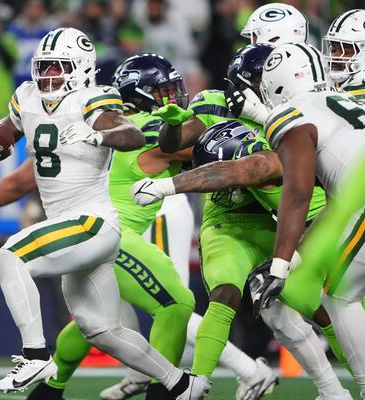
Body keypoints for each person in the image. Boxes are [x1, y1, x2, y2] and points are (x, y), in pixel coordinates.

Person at [0, 53, 276, 400]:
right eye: (163, 91)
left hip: (97, 226)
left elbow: (22, 177)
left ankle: (53, 388)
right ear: (141, 94)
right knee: (175, 304)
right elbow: (224, 153)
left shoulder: (83, 119)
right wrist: (254, 118)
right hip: (107, 229)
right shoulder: (133, 126)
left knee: (96, 325)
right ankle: (172, 389)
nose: (173, 97)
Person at [131, 40, 352, 400]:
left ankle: (344, 386)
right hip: (229, 219)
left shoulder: (291, 114)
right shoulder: (214, 103)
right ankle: (196, 384)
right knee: (225, 293)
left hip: (278, 218)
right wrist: (174, 129)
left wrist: (168, 185)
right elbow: (175, 143)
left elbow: (253, 169)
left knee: (320, 305)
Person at [249, 42, 365, 398]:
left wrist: (280, 265)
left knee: (339, 295)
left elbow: (297, 191)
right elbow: (334, 208)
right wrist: (294, 257)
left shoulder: (291, 112)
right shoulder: (340, 104)